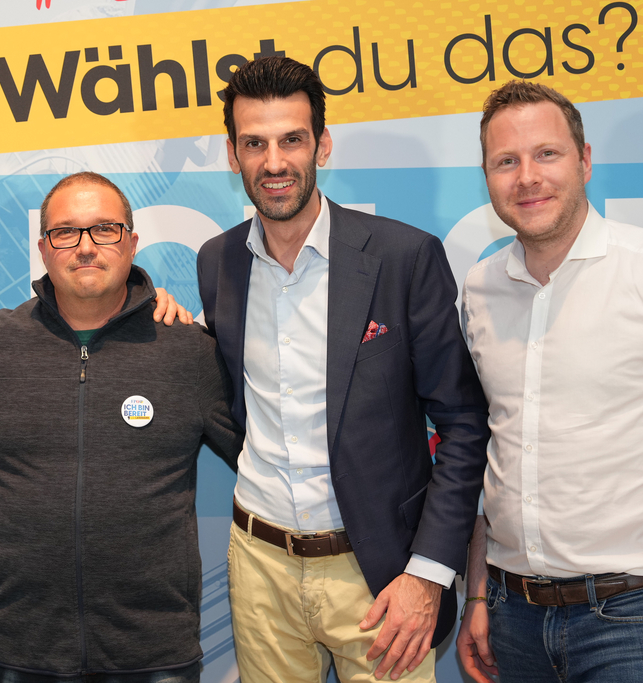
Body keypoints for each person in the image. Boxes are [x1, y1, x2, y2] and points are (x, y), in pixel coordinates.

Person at [196, 56, 490, 682]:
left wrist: (428, 572)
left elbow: (465, 424)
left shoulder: (404, 257)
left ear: (322, 145)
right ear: (233, 154)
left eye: (291, 140)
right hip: (259, 567)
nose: (274, 162)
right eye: (254, 143)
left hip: (380, 574)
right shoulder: (217, 262)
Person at [456, 80, 643, 683]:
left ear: (585, 160)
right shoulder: (480, 288)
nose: (527, 177)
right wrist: (478, 591)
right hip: (511, 616)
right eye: (505, 161)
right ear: (487, 176)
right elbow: (494, 451)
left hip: (639, 621)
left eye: (546, 154)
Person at [0, 171, 243, 683]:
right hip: (23, 645)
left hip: (156, 650)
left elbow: (265, 460)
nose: (86, 247)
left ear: (131, 242)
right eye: (66, 232)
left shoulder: (187, 351)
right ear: (44, 248)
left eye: (105, 229)